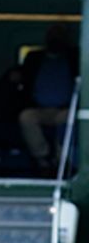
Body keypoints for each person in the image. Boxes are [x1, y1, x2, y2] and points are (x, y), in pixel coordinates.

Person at [18, 23, 80, 173]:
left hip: (65, 109)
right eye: (53, 35)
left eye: (60, 35)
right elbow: (22, 76)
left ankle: (61, 161)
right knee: (26, 117)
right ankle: (42, 157)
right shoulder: (34, 58)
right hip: (39, 109)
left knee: (67, 119)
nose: (56, 39)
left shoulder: (75, 58)